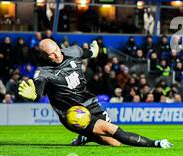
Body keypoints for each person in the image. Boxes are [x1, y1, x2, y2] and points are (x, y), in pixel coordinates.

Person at [18, 38, 173, 149]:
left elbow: (87, 53)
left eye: (57, 50)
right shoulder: (43, 73)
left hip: (91, 104)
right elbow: (37, 92)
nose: (56, 55)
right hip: (74, 114)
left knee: (115, 143)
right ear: (44, 55)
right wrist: (34, 96)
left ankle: (86, 136)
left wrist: (94, 51)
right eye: (51, 54)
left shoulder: (72, 51)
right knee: (113, 133)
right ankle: (156, 144)